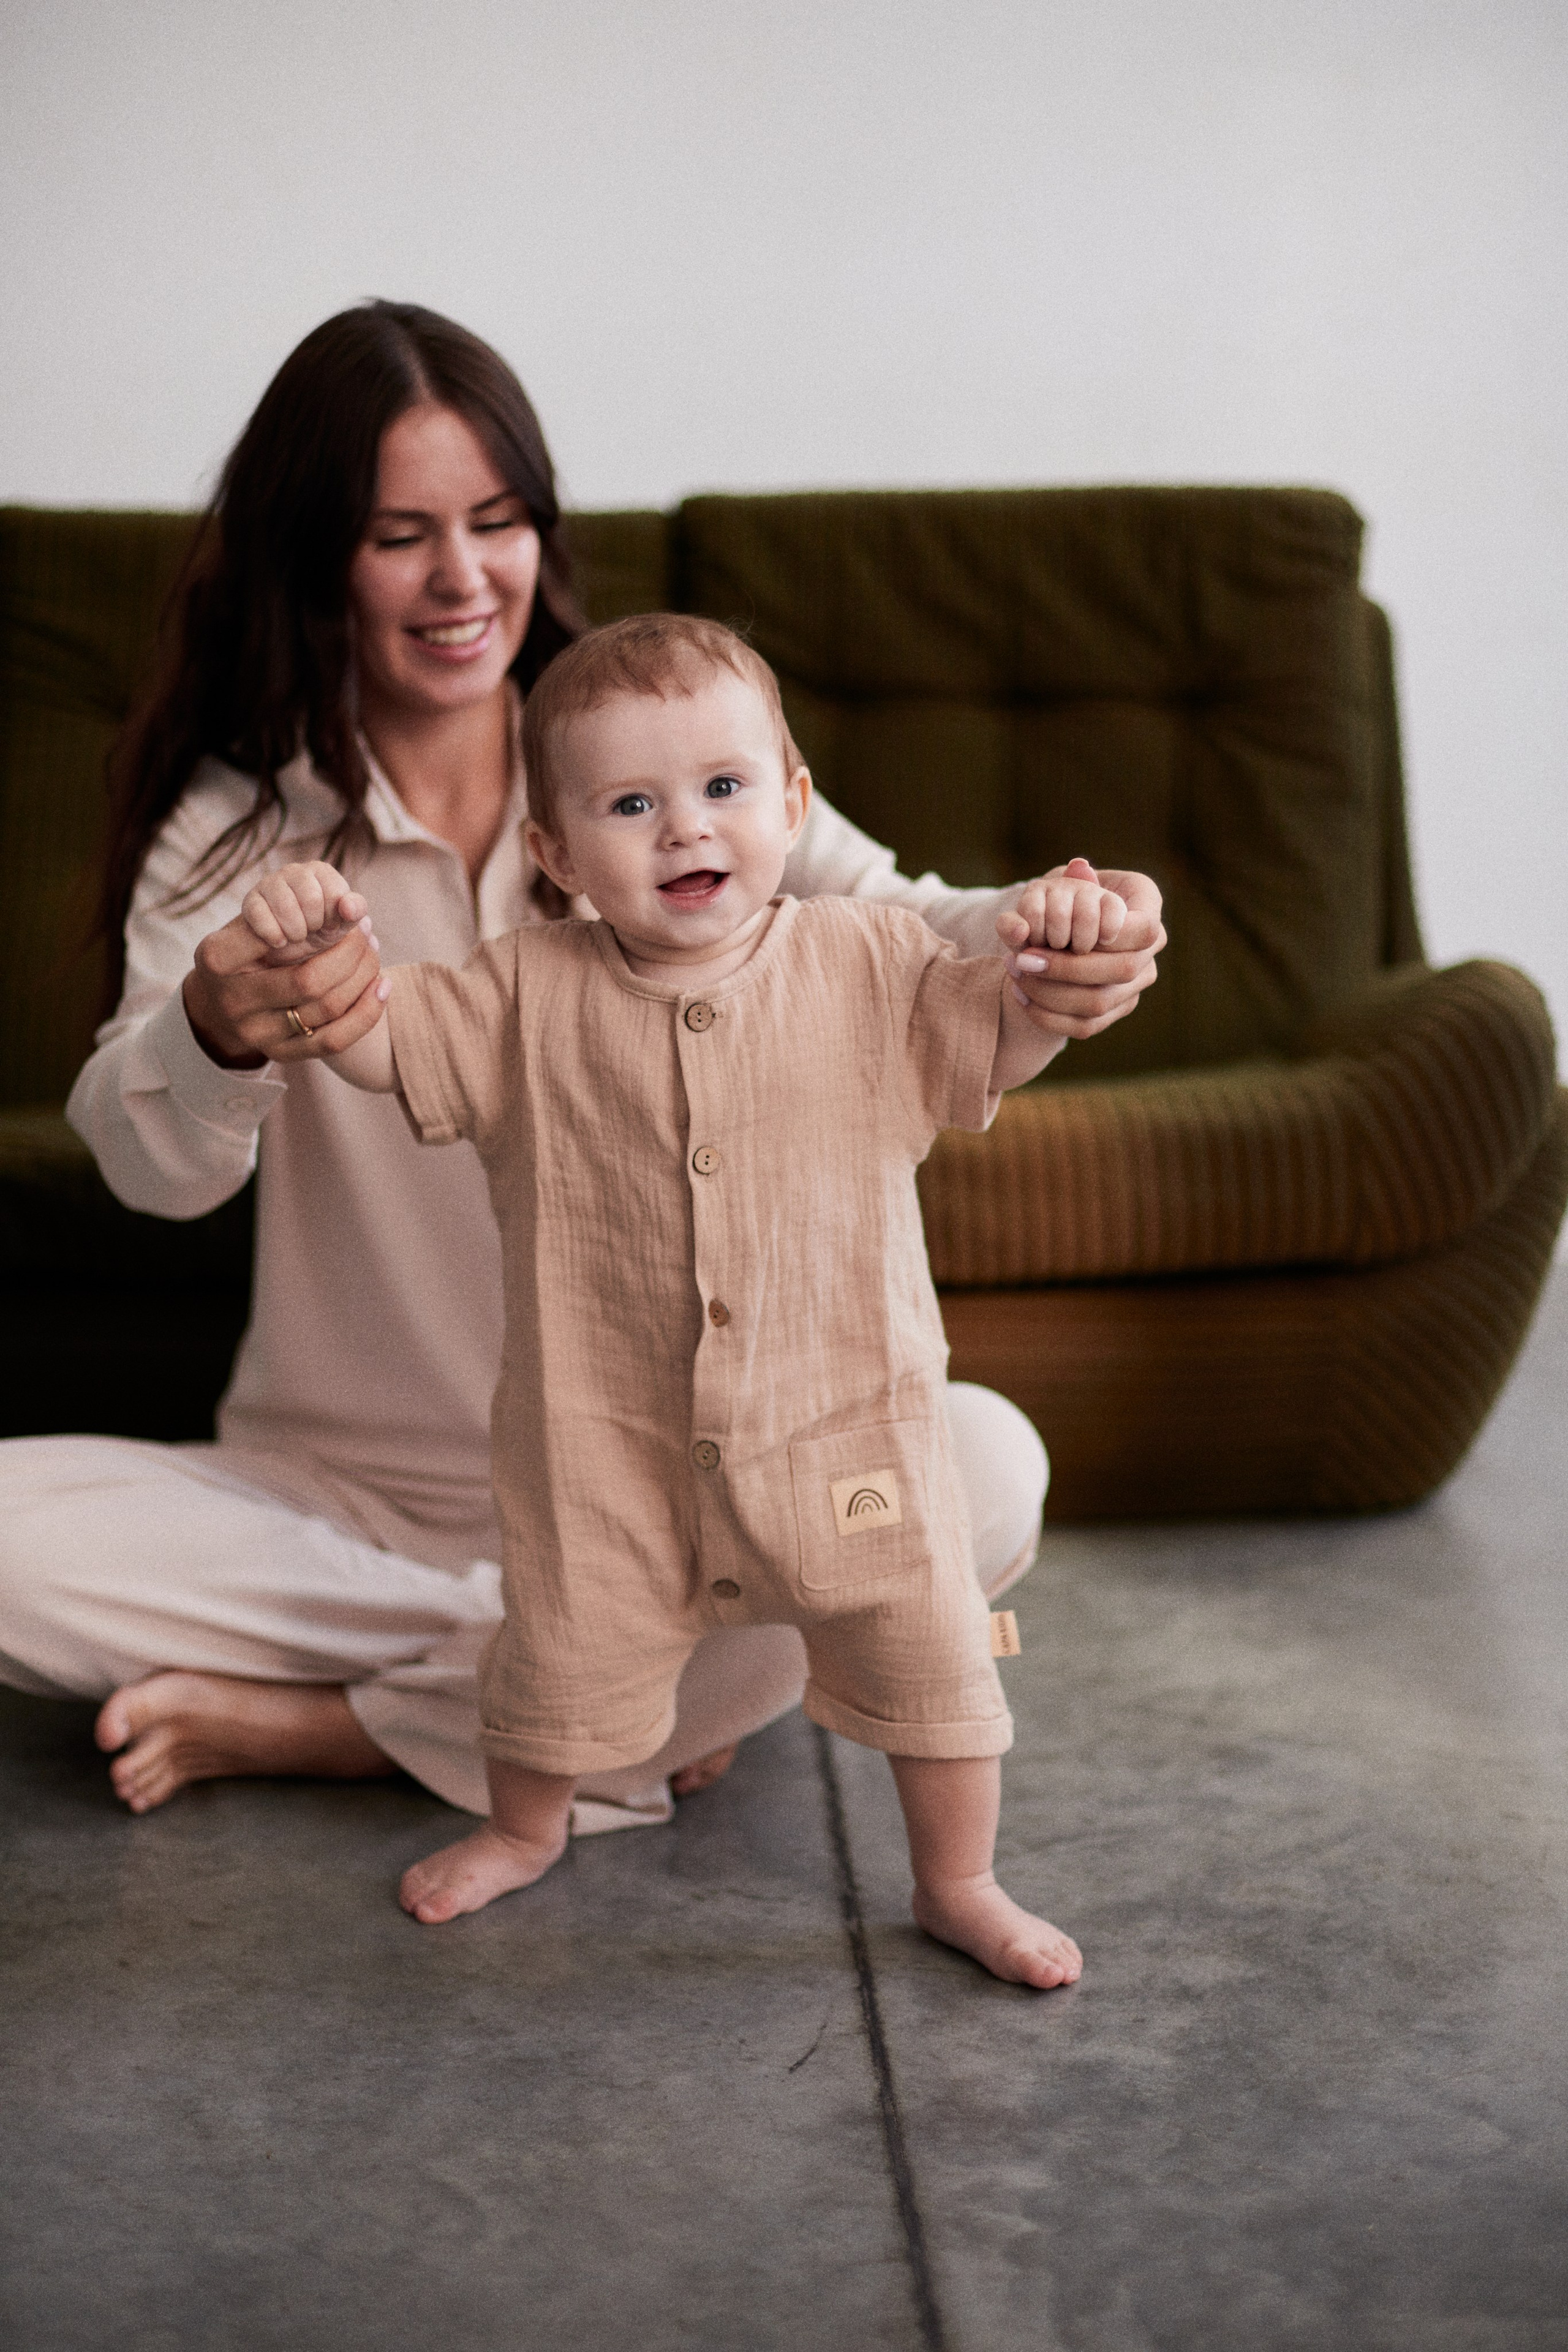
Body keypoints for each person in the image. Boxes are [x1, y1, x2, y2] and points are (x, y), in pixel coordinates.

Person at [0, 301, 1164, 1835]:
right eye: (398, 536)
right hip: (340, 1505)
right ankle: (579, 1694)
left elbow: (909, 922)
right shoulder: (235, 832)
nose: (462, 577)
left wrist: (1060, 937)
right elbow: (151, 1172)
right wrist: (216, 1023)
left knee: (981, 1465)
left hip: (673, 1481)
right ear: (309, 557)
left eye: (497, 522)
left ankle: (365, 1730)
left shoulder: (662, 765)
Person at [235, 612, 1112, 1986]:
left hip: (843, 1439)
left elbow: (1002, 1029)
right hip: (608, 1452)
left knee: (928, 1647)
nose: (685, 828)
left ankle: (960, 1880)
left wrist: (1061, 965)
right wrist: (316, 970)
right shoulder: (519, 993)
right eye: (630, 805)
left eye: (722, 787)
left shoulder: (871, 961)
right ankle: (525, 1830)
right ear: (555, 856)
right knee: (557, 1659)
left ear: (793, 804)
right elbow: (382, 1042)